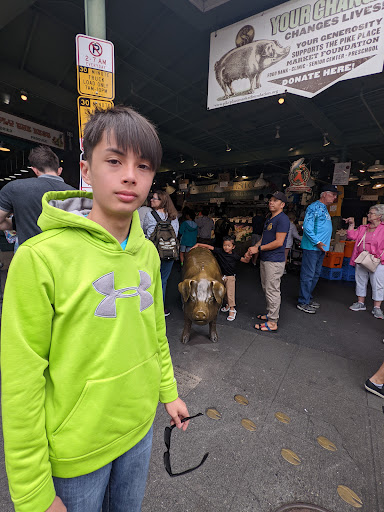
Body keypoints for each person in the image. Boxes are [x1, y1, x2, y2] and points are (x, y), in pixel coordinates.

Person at [1, 106, 189, 512]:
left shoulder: (148, 254)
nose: (130, 175)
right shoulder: (39, 258)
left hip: (139, 431)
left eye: (143, 166)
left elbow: (155, 330)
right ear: (86, 169)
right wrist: (33, 492)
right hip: (75, 450)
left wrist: (168, 393)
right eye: (114, 160)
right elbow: (21, 383)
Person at [0, 145, 74, 245]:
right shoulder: (75, 193)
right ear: (60, 170)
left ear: (35, 170)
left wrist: (19, 223)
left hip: (31, 256)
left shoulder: (14, 188)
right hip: (66, 256)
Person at [247, 191, 290, 332]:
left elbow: (279, 242)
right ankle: (271, 313)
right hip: (266, 259)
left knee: (272, 290)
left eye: (275, 201)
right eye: (270, 200)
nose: (271, 202)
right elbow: (264, 238)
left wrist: (258, 248)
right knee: (266, 288)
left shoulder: (283, 219)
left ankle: (272, 322)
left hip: (275, 260)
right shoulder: (270, 219)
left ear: (282, 204)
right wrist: (254, 247)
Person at [296, 185, 339, 314]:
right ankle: (303, 301)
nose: (335, 197)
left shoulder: (324, 208)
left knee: (315, 274)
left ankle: (307, 298)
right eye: (333, 194)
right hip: (312, 247)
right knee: (308, 275)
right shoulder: (314, 207)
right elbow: (307, 227)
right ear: (324, 194)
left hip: (320, 248)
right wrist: (318, 242)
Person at [193, 235, 251, 321]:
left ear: (233, 247)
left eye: (229, 246)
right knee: (223, 292)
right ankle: (227, 305)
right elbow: (209, 247)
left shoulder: (235, 256)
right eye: (224, 245)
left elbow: (245, 261)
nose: (226, 247)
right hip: (221, 276)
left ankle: (232, 309)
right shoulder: (220, 251)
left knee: (230, 293)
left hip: (230, 276)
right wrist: (198, 244)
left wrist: (248, 256)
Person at [143, 190, 179, 316]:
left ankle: (149, 308)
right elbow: (175, 234)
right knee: (163, 281)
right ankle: (160, 309)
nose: (151, 200)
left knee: (151, 280)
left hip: (153, 253)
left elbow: (145, 233)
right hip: (169, 253)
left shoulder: (150, 215)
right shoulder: (173, 216)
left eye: (154, 198)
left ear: (162, 201)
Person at [345, 204, 384, 319]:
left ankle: (377, 308)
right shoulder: (363, 228)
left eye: (371, 213)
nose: (368, 215)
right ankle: (360, 303)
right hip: (362, 258)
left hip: (378, 260)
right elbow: (351, 236)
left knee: (378, 283)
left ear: (379, 216)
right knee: (360, 280)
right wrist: (351, 225)